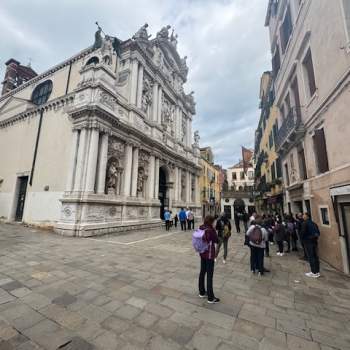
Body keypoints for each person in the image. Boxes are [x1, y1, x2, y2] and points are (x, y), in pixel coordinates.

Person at [198, 215, 220, 303]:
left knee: (202, 272)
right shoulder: (211, 230)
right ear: (211, 222)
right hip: (209, 255)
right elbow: (217, 240)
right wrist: (215, 230)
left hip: (202, 253)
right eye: (214, 222)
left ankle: (202, 292)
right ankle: (210, 297)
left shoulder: (201, 227)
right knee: (209, 275)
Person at [301, 213, 321, 278]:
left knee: (311, 257)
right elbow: (318, 233)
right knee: (315, 256)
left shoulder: (305, 223)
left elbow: (302, 233)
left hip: (308, 242)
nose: (303, 216)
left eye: (304, 215)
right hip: (314, 242)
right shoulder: (314, 223)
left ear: (307, 216)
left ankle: (313, 272)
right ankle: (317, 272)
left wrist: (303, 239)